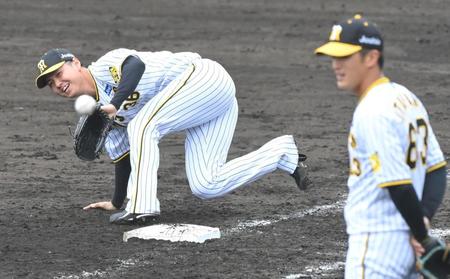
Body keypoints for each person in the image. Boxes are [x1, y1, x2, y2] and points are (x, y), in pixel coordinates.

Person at [35, 48, 309, 224]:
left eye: (58, 73)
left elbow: (135, 66)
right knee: (206, 184)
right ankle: (282, 153)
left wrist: (115, 103)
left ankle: (143, 207)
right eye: (50, 83)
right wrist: (117, 202)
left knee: (143, 125)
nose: (57, 83)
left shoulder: (106, 66)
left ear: (76, 63)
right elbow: (124, 158)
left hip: (206, 79)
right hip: (210, 109)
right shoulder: (102, 117)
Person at [315, 14, 447, 278]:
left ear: (371, 58)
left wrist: (422, 235)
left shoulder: (372, 110)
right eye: (333, 57)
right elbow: (437, 169)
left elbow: (397, 183)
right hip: (407, 244)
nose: (335, 65)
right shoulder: (406, 97)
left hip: (376, 247)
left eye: (344, 57)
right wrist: (422, 222)